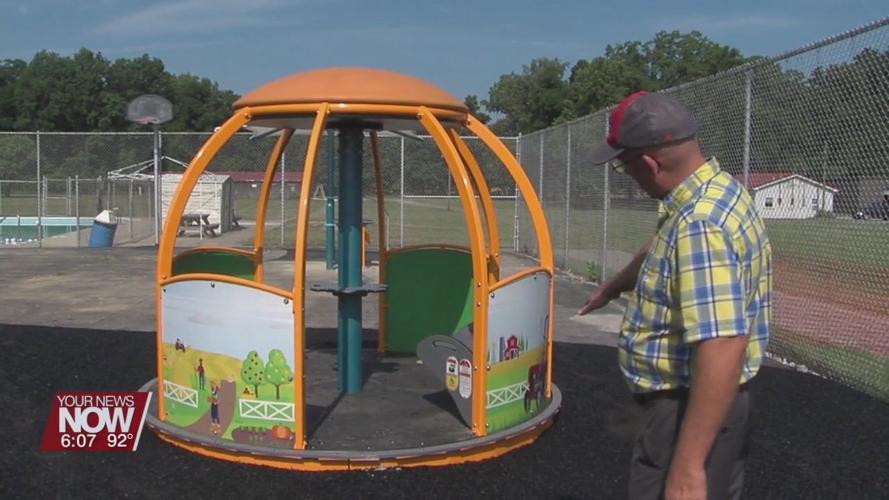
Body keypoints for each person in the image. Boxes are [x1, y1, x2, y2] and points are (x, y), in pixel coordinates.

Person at [578, 91, 772, 500]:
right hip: (712, 405)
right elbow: (660, 246)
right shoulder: (718, 192)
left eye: (623, 164)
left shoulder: (699, 225)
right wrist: (613, 287)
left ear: (649, 163)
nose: (625, 173)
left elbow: (723, 343)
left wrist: (687, 468)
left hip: (689, 407)